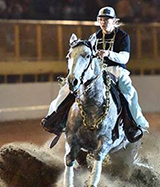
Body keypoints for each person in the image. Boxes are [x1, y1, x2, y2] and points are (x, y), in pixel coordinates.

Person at [41, 6, 147, 142]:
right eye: (101, 19)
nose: (103, 22)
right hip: (97, 71)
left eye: (107, 19)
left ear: (114, 21)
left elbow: (124, 58)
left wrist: (108, 53)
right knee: (67, 88)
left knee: (128, 91)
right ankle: (54, 118)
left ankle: (135, 124)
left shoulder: (122, 36)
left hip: (117, 71)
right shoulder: (95, 37)